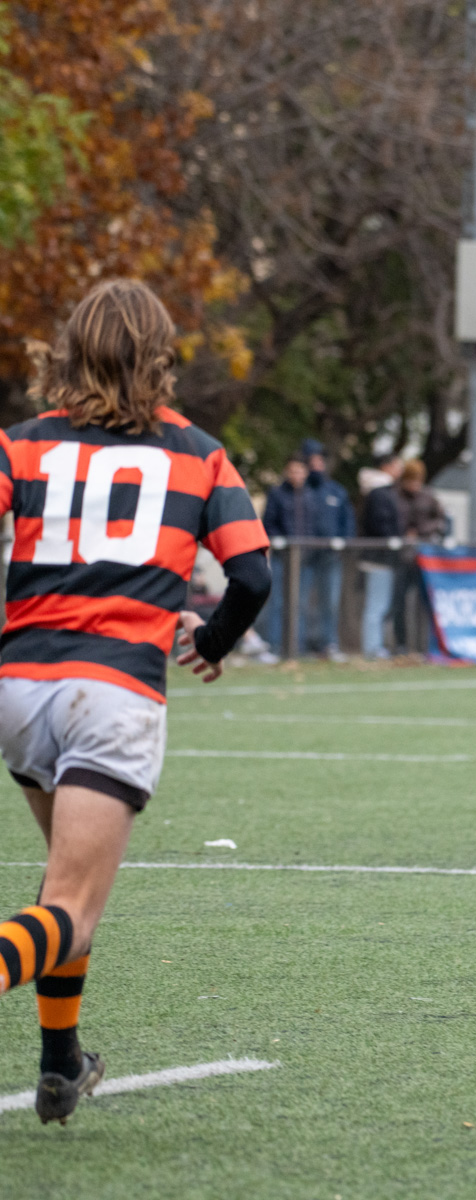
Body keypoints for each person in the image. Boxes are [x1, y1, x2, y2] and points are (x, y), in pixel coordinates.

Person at [0, 279, 270, 1123]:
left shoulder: (20, 446)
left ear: (69, 351)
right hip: (112, 691)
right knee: (71, 910)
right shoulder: (198, 452)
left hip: (18, 690)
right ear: (160, 357)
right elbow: (253, 575)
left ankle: (60, 1062)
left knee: (63, 891)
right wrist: (213, 640)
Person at [298, 438, 351, 659]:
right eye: (313, 459)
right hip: (303, 556)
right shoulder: (299, 490)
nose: (317, 463)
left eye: (321, 459)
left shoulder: (336, 491)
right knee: (299, 601)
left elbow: (347, 523)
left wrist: (342, 543)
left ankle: (328, 644)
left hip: (330, 557)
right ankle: (298, 645)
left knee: (329, 602)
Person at [257, 453, 311, 654]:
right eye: (293, 470)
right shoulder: (277, 494)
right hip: (282, 556)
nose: (296, 474)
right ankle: (275, 644)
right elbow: (268, 523)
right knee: (278, 601)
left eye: (300, 470)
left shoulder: (310, 495)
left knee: (301, 603)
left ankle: (299, 646)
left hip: (305, 558)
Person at [391, 459, 447, 651]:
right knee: (399, 603)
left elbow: (441, 521)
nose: (414, 485)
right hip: (401, 557)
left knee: (426, 603)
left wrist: (421, 531)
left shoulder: (429, 497)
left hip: (425, 558)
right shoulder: (395, 495)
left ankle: (427, 644)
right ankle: (402, 644)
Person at [359, 454, 404, 659]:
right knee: (376, 605)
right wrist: (393, 538)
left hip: (383, 557)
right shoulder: (379, 493)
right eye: (396, 464)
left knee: (381, 604)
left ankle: (377, 646)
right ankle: (372, 648)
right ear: (386, 467)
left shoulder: (384, 491)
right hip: (377, 556)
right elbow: (379, 523)